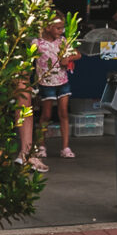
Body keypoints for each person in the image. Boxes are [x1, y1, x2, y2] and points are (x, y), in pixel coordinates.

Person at [32, 20, 79, 161]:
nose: (61, 31)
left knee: (63, 113)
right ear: (48, 27)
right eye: (58, 28)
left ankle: (65, 147)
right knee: (46, 115)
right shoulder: (37, 43)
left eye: (62, 28)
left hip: (62, 81)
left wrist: (68, 58)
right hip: (46, 82)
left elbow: (78, 54)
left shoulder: (63, 41)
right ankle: (41, 146)